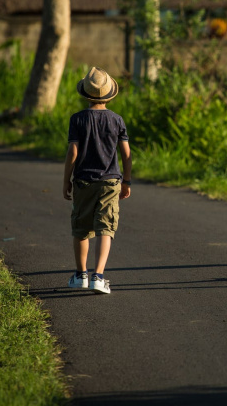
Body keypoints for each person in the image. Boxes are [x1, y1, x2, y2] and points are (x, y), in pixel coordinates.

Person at [63, 67, 132, 294]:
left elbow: (73, 152)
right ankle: (98, 276)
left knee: (81, 228)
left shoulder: (78, 119)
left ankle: (81, 274)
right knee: (106, 228)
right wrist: (127, 181)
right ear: (109, 93)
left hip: (83, 181)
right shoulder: (117, 120)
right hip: (110, 182)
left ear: (85, 93)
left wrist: (67, 180)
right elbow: (126, 153)